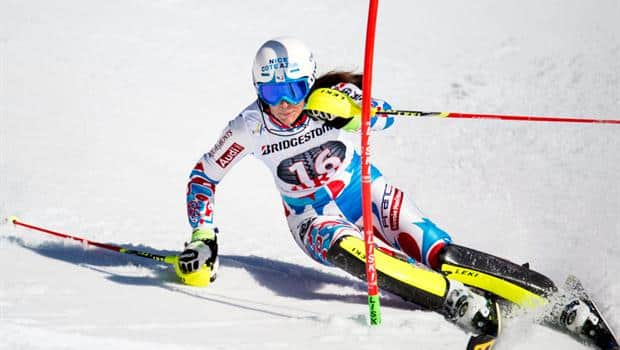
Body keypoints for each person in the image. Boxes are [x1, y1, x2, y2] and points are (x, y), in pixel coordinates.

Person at [174, 36, 600, 341]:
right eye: (271, 91)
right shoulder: (249, 126)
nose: (284, 104)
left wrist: (361, 109)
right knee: (354, 250)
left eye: (294, 89)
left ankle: (559, 299)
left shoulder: (330, 99)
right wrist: (203, 237)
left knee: (438, 252)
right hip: (312, 218)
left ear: (310, 82)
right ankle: (463, 304)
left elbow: (388, 117)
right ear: (257, 90)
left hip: (366, 193)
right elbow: (204, 176)